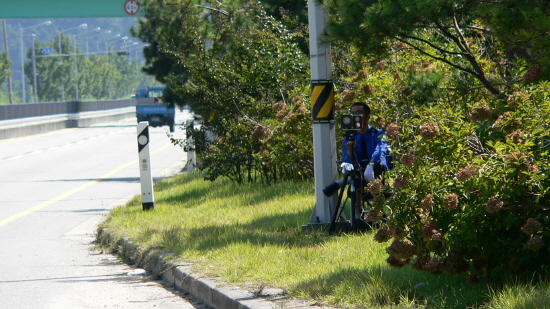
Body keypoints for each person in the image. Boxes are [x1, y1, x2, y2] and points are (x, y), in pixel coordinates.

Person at [342, 102, 389, 221]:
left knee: (379, 169)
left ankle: (379, 215)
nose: (355, 117)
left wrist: (371, 164)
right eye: (352, 114)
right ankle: (358, 218)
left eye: (359, 113)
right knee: (355, 177)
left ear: (367, 116)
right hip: (359, 173)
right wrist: (350, 152)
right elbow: (346, 160)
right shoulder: (349, 137)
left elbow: (381, 149)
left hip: (376, 171)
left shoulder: (379, 133)